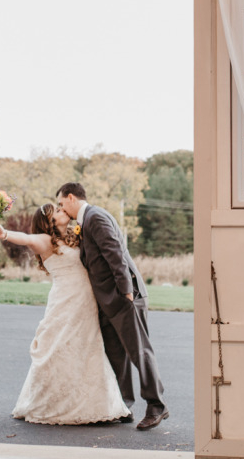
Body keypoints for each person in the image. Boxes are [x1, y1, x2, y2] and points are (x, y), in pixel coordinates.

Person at [0, 204, 130, 425]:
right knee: (60, 346)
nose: (62, 211)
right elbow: (26, 238)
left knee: (88, 347)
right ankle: (55, 403)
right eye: (57, 212)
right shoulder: (45, 240)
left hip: (86, 302)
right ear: (49, 222)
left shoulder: (74, 235)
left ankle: (97, 404)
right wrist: (4, 233)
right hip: (65, 301)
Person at [55, 182, 169, 431]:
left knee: (139, 351)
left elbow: (115, 253)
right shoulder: (85, 222)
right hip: (109, 300)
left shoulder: (95, 217)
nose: (62, 208)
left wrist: (127, 291)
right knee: (117, 354)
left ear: (71, 197)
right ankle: (122, 405)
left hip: (124, 296)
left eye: (62, 203)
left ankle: (157, 405)